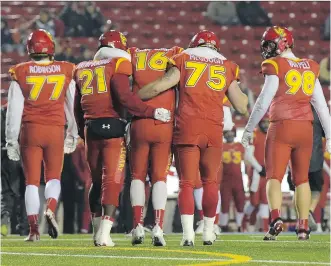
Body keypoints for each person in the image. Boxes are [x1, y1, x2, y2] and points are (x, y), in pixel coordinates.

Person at [138, 30, 248, 246]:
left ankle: (188, 235)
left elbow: (160, 86)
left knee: (187, 183)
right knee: (211, 183)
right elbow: (242, 106)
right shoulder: (227, 64)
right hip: (213, 129)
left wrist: (136, 96)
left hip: (187, 126)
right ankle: (208, 231)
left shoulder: (183, 58)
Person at [73, 30, 171, 247]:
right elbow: (124, 97)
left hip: (91, 128)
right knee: (113, 181)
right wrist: (151, 112)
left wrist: (82, 132)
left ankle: (96, 229)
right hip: (112, 127)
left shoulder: (80, 68)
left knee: (96, 181)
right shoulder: (118, 64)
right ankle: (105, 233)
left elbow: (76, 109)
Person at [242, 26, 331, 241]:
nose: (268, 49)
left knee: (274, 176)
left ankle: (275, 220)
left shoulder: (275, 65)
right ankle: (303, 227)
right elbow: (320, 105)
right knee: (302, 179)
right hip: (305, 129)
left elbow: (264, 100)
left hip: (281, 126)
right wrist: (329, 135)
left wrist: (249, 127)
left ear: (284, 43)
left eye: (271, 44)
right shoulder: (310, 66)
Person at [5, 29, 79, 241]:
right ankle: (51, 207)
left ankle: (33, 230)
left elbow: (14, 111)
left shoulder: (21, 71)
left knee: (31, 182)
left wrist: (11, 141)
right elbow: (72, 106)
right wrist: (73, 134)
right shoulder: (65, 69)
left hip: (31, 131)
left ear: (30, 49)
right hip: (55, 130)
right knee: (53, 177)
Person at [127, 46, 182, 246]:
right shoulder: (176, 53)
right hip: (164, 123)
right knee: (160, 177)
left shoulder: (133, 54)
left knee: (137, 176)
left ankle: (137, 226)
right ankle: (158, 227)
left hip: (139, 121)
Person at [243, 116, 269, 232]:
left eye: (268, 122)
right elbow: (248, 155)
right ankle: (245, 220)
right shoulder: (254, 134)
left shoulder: (272, 135)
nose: (266, 125)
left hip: (267, 172)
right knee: (254, 202)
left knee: (265, 201)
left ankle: (265, 227)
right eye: (264, 122)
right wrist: (259, 168)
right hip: (256, 173)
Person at [219, 128, 246, 232]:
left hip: (238, 179)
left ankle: (240, 226)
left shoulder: (240, 146)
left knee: (240, 203)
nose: (229, 135)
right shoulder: (221, 146)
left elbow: (247, 161)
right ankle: (223, 225)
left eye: (231, 133)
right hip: (225, 180)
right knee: (224, 203)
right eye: (227, 133)